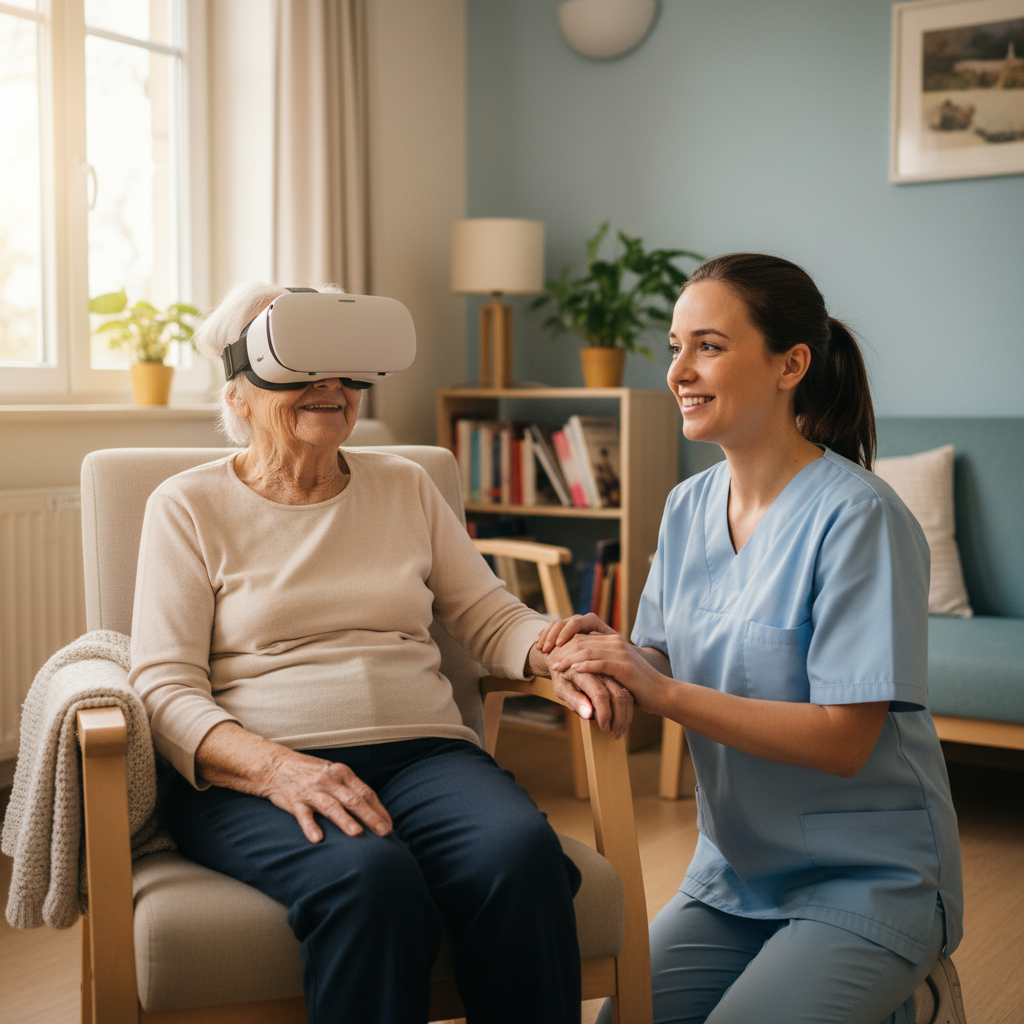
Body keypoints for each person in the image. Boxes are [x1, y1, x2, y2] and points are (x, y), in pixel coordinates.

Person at [128, 282, 633, 1024]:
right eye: (299, 360)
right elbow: (164, 686)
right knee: (372, 882)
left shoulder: (407, 486)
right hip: (261, 774)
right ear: (239, 393)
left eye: (341, 364)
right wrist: (274, 767)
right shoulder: (187, 505)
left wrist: (551, 648)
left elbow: (490, 617)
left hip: (427, 757)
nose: (329, 383)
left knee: (521, 857)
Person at [538, 254, 966, 1024]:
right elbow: (659, 654)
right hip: (737, 872)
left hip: (868, 877)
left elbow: (843, 741)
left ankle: (912, 997)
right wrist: (607, 656)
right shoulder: (687, 506)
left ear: (790, 365)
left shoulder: (858, 518)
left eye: (708, 345)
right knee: (616, 1020)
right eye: (674, 347)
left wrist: (660, 690)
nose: (679, 371)